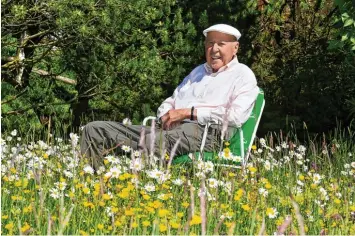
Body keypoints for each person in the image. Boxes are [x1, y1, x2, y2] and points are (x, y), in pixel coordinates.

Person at [80, 24, 259, 169]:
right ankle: (95, 183)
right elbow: (171, 101)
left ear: (235, 48)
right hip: (167, 128)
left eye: (221, 44)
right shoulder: (197, 72)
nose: (214, 49)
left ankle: (141, 190)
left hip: (206, 134)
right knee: (94, 129)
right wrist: (167, 116)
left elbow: (235, 116)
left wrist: (188, 113)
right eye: (210, 44)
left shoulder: (243, 75)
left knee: (154, 141)